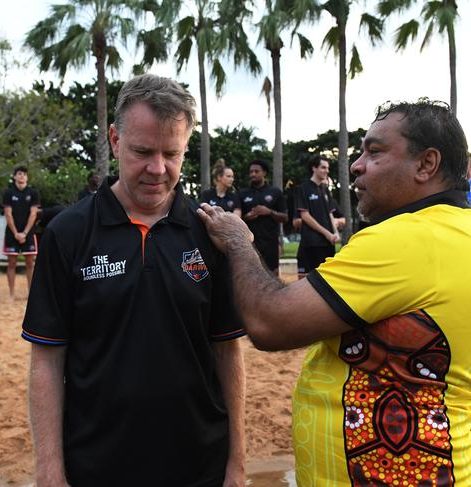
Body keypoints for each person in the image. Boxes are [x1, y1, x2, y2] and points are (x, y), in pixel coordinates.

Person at [197, 100, 471, 485]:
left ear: (426, 164)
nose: (356, 165)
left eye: (374, 152)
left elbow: (269, 321)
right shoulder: (459, 230)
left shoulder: (408, 239)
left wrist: (239, 241)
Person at [21, 74, 246, 487]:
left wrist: (237, 464)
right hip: (97, 465)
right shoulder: (68, 233)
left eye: (171, 154)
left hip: (199, 464)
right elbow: (47, 360)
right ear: (114, 140)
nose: (157, 169)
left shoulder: (209, 233)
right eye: (142, 151)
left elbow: (227, 352)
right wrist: (49, 468)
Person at [294, 156, 344, 277]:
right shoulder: (303, 189)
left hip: (327, 244)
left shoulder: (325, 189)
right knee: (305, 280)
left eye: (327, 168)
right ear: (314, 168)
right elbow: (305, 216)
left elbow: (330, 213)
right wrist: (326, 233)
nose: (326, 170)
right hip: (311, 242)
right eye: (323, 167)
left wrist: (335, 232)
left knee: (327, 280)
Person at [238, 160, 288, 274]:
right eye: (251, 172)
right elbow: (238, 218)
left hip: (270, 243)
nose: (253, 174)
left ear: (264, 173)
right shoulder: (242, 193)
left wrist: (269, 212)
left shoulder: (275, 192)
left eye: (256, 171)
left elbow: (285, 218)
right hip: (250, 243)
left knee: (272, 276)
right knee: (250, 275)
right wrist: (247, 217)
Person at [2, 166, 40, 300]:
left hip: (28, 234)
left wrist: (24, 233)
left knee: (30, 263)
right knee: (11, 263)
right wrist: (16, 233)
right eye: (19, 174)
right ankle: (11, 294)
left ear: (27, 177)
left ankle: (31, 294)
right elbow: (8, 214)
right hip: (12, 233)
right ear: (15, 177)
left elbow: (33, 213)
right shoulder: (8, 193)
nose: (22, 176)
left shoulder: (33, 193)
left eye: (24, 174)